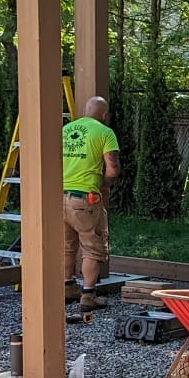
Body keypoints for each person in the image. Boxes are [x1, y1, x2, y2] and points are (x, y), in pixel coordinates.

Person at [61, 96, 121, 314]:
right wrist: (105, 185)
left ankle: (67, 288)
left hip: (60, 197)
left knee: (66, 246)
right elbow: (112, 168)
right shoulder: (105, 132)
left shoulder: (65, 130)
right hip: (86, 198)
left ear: (86, 111)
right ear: (104, 114)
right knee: (92, 247)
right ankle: (88, 296)